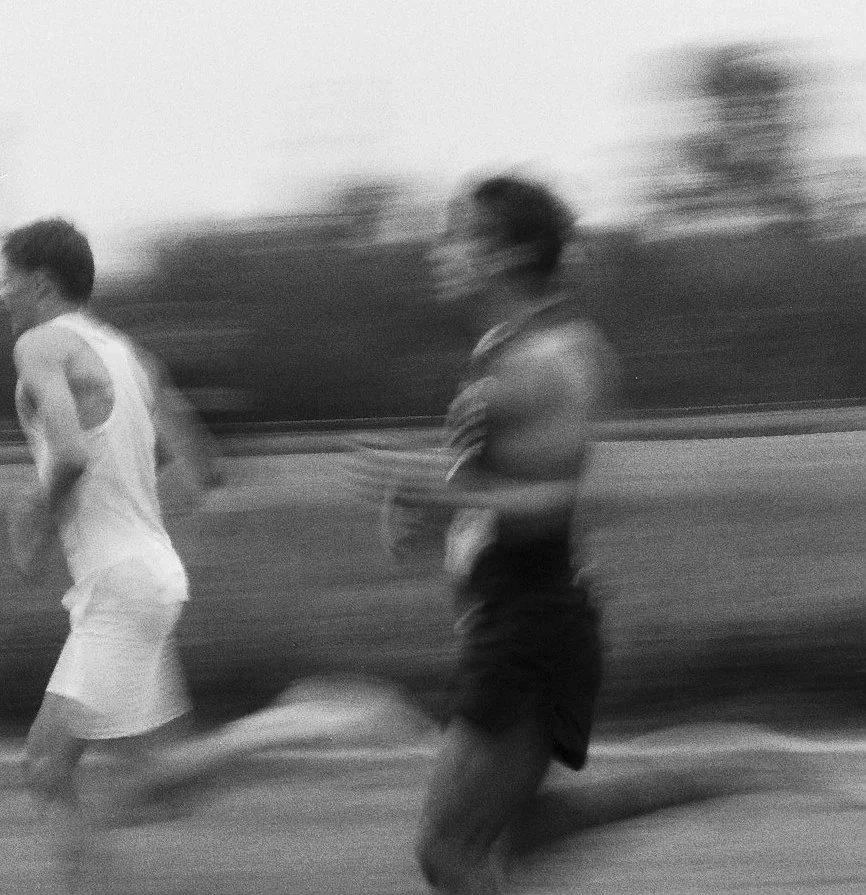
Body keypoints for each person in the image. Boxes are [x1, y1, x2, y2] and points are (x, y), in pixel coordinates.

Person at [349, 174, 819, 894]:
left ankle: (734, 765)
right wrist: (425, 503)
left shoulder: (553, 359)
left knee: (449, 852)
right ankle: (730, 766)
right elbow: (487, 489)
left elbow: (581, 501)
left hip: (530, 627)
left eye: (457, 236)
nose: (438, 251)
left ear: (507, 254)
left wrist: (438, 490)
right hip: (508, 619)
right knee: (525, 834)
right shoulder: (503, 350)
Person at [0, 217, 224, 891]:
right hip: (144, 574)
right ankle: (308, 722)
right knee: (164, 779)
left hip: (122, 583)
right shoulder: (130, 355)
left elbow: (68, 451)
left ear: (38, 281)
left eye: (6, 279)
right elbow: (200, 468)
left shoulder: (42, 344)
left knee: (47, 763)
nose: (0, 294)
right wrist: (136, 528)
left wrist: (33, 514)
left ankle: (313, 720)